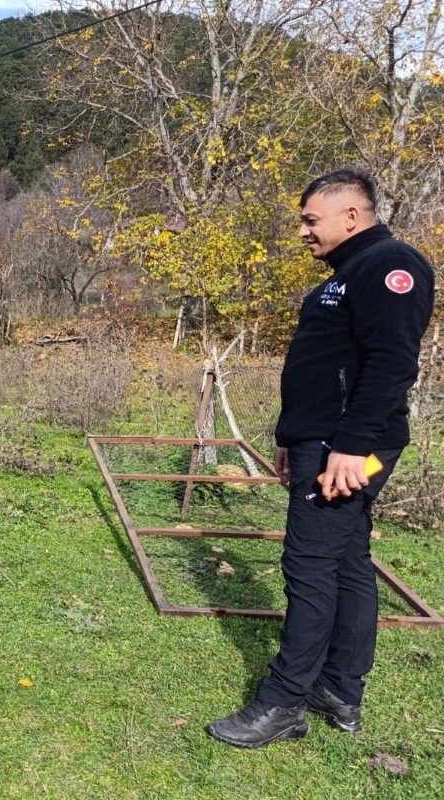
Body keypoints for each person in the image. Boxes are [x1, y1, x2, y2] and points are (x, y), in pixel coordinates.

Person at [207, 168, 434, 748]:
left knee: (308, 565)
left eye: (311, 220)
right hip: (324, 441)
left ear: (351, 216)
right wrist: (292, 437)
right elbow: (324, 367)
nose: (304, 232)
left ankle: (282, 703)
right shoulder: (346, 274)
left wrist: (350, 448)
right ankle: (338, 688)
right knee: (348, 560)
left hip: (351, 446)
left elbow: (390, 365)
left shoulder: (390, 265)